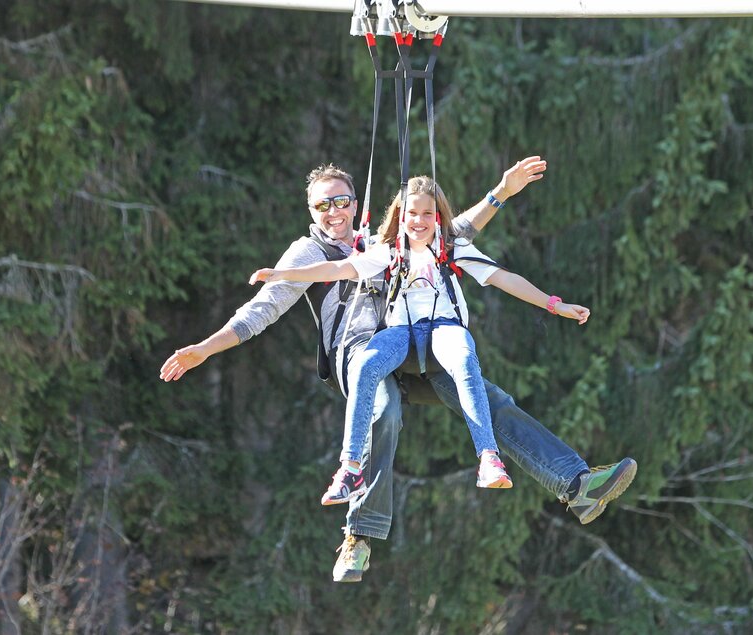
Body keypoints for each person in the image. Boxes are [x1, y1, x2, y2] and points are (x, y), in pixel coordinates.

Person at [159, 158, 637, 583]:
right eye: (322, 206)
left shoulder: (381, 239)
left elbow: (453, 231)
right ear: (311, 212)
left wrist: (501, 192)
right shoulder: (310, 253)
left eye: (341, 201)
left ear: (355, 203)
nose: (333, 212)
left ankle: (575, 485)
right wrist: (206, 347)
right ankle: (359, 534)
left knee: (486, 399)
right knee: (383, 412)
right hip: (359, 355)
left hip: (416, 344)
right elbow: (261, 309)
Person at [248, 176, 593, 504]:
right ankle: (350, 467)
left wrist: (553, 304)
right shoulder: (387, 251)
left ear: (439, 217)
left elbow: (503, 277)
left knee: (464, 362)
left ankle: (489, 457)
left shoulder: (452, 248)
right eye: (411, 213)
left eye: (428, 214)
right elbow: (339, 270)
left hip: (442, 330)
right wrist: (283, 274)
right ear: (400, 216)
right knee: (367, 368)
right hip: (400, 335)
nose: (419, 221)